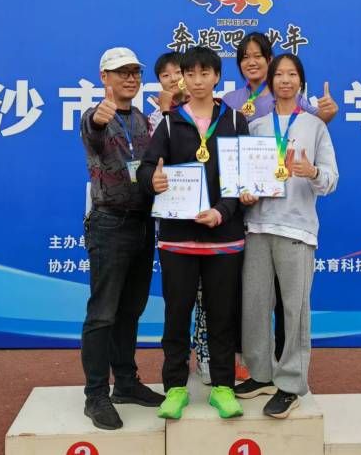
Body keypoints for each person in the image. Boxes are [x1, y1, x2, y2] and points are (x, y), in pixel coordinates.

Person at [138, 46, 249, 421]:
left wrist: (222, 211)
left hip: (224, 237)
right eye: (191, 74)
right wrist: (152, 180)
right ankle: (174, 388)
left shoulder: (234, 120)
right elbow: (147, 168)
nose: (198, 81)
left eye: (205, 73)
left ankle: (222, 387)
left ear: (217, 76)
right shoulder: (170, 123)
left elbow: (242, 177)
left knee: (222, 316)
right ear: (183, 78)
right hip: (177, 239)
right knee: (176, 314)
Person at [222, 31, 339, 366]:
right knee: (254, 307)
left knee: (293, 308)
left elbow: (330, 179)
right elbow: (239, 170)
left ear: (301, 82)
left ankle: (291, 379)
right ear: (271, 82)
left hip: (296, 227)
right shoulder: (255, 125)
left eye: (292, 74)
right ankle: (259, 374)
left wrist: (312, 172)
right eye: (280, 76)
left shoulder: (313, 124)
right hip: (256, 226)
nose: (285, 80)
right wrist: (242, 193)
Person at [79, 47, 165, 431]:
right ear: (104, 77)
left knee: (131, 310)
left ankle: (126, 383)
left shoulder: (145, 121)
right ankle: (95, 395)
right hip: (109, 224)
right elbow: (93, 130)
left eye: (135, 72)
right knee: (102, 314)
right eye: (121, 72)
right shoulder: (95, 116)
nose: (130, 78)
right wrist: (99, 119)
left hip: (143, 224)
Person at [147, 52, 214, 385]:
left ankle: (207, 358)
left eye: (178, 73)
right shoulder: (157, 118)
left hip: (214, 224)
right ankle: (177, 372)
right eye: (166, 75)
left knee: (210, 300)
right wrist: (164, 112)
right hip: (174, 224)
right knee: (179, 303)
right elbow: (150, 163)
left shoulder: (217, 113)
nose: (174, 79)